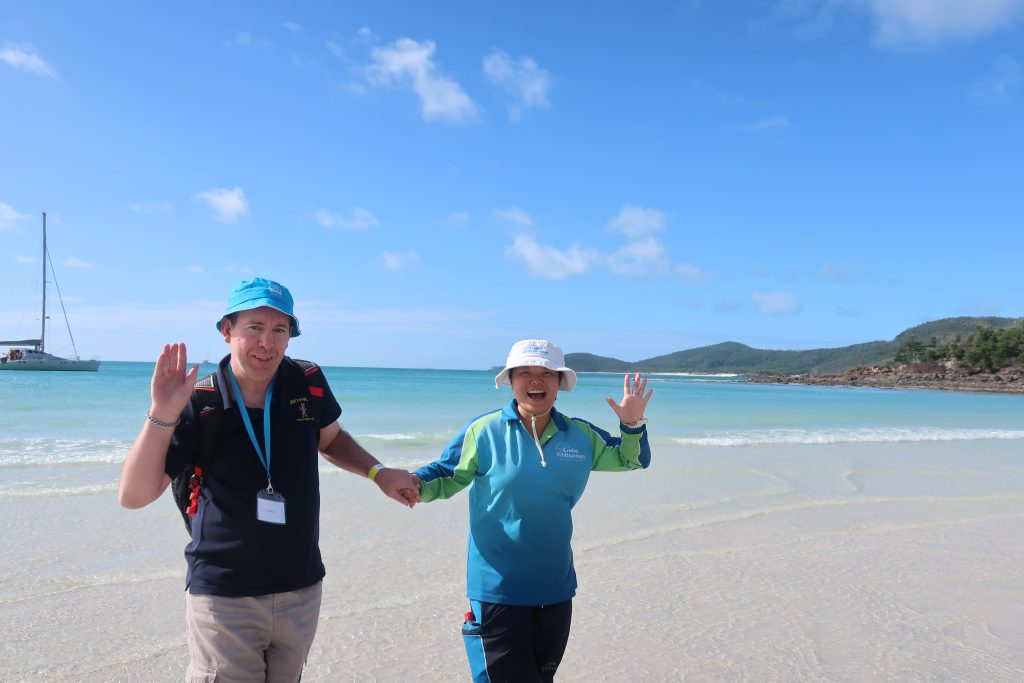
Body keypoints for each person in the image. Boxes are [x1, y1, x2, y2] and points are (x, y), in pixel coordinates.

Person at [118, 277, 419, 682]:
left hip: (301, 588)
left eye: (280, 330)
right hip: (225, 596)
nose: (267, 342)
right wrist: (162, 412)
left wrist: (378, 473)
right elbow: (134, 495)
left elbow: (330, 439)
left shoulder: (305, 380)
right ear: (227, 331)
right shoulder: (201, 401)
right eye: (255, 328)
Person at [410, 339, 653, 682]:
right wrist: (410, 484)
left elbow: (633, 459)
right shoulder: (485, 431)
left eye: (546, 373)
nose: (536, 380)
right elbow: (447, 474)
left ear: (559, 383)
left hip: (556, 589)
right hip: (498, 589)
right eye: (525, 373)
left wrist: (633, 425)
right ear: (510, 380)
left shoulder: (580, 435)